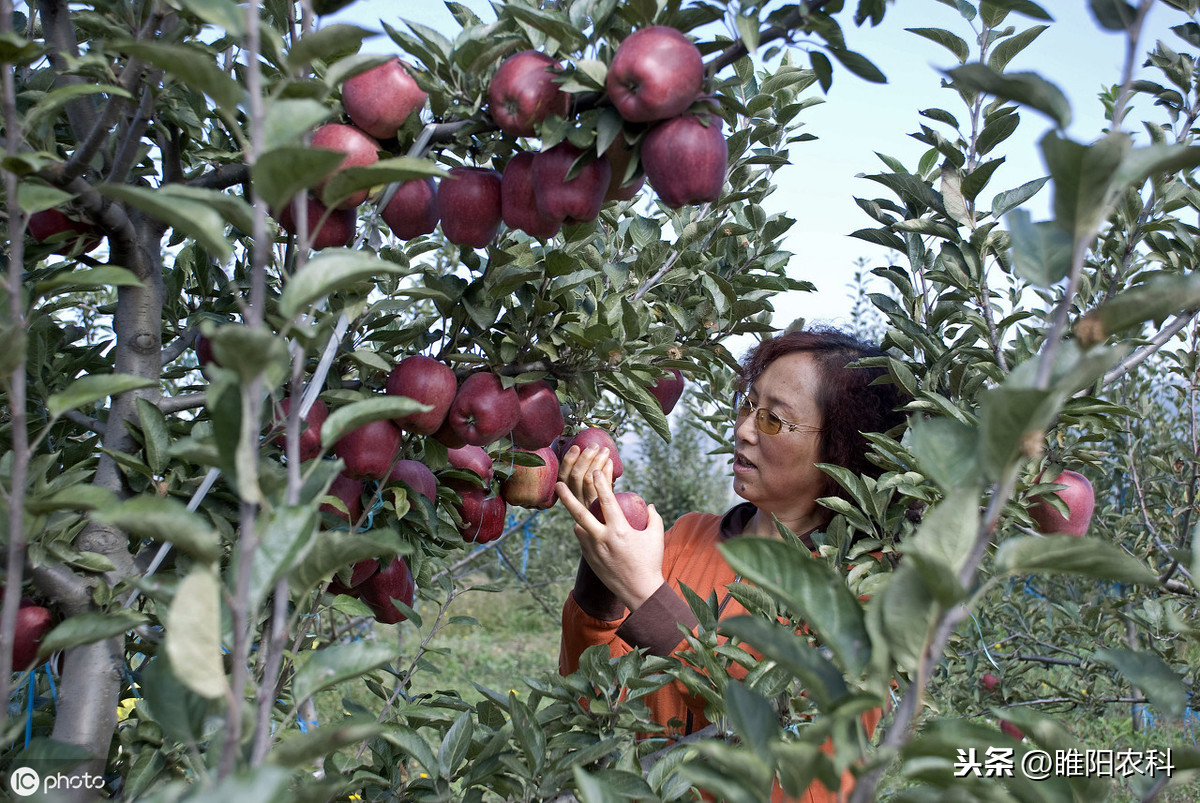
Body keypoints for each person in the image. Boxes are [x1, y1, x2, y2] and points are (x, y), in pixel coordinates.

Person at [555, 326, 907, 801]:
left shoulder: (865, 582)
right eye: (748, 405)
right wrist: (602, 557)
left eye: (773, 421)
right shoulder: (687, 539)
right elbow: (588, 689)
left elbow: (788, 742)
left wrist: (645, 592)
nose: (742, 429)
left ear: (840, 448)